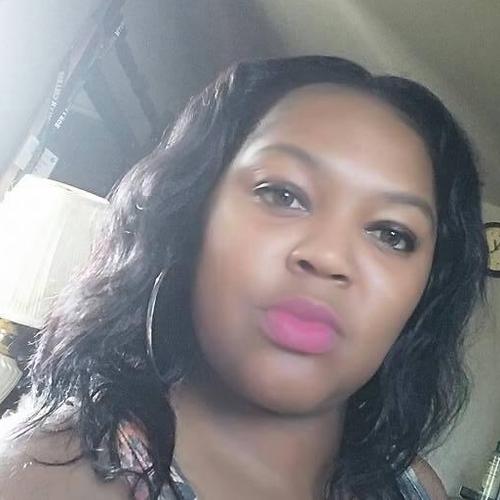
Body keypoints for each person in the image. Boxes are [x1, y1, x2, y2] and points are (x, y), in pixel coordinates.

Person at [0, 55, 488, 499]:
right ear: (192, 212)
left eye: (391, 234)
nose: (327, 256)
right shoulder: (41, 478)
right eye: (281, 194)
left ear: (425, 291)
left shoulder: (415, 488)